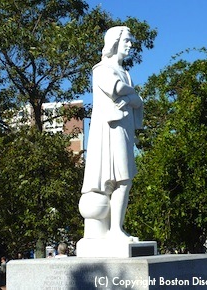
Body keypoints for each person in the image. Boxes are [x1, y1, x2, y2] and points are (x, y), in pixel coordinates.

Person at [81, 26, 143, 240]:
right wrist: (131, 96)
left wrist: (131, 98)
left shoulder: (126, 73)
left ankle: (117, 228)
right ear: (114, 42)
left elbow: (137, 101)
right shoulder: (101, 68)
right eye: (126, 40)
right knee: (114, 178)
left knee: (125, 180)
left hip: (124, 129)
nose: (130, 45)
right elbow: (115, 88)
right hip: (109, 130)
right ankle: (112, 230)